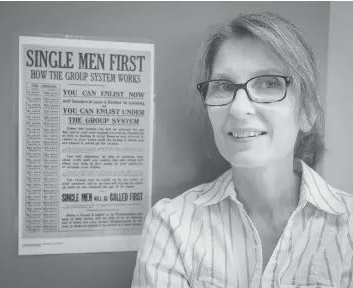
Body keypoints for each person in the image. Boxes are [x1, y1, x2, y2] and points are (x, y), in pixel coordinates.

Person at [131, 11, 353, 288]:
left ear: (307, 111)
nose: (238, 108)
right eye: (224, 86)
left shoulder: (347, 227)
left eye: (270, 83)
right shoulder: (172, 225)